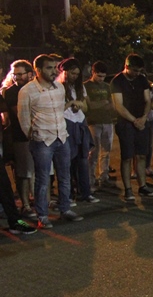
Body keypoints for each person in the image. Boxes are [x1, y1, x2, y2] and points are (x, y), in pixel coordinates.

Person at [18, 54, 84, 227]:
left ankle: (65, 209)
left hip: (61, 137)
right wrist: (34, 135)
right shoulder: (27, 91)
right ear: (38, 70)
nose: (54, 71)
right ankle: (42, 216)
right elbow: (23, 119)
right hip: (42, 140)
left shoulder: (59, 88)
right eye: (49, 68)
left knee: (64, 176)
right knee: (42, 179)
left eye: (55, 68)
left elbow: (60, 110)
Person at [111, 54, 153, 201]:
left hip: (141, 121)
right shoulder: (117, 81)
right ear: (127, 67)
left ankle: (142, 186)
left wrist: (143, 117)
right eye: (135, 70)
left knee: (142, 155)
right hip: (125, 123)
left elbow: (148, 100)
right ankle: (128, 189)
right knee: (127, 157)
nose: (137, 73)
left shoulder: (142, 79)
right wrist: (134, 120)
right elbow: (118, 105)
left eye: (139, 70)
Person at [57, 58, 98, 204]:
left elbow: (86, 107)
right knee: (67, 161)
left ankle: (85, 192)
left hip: (80, 122)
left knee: (82, 159)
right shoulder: (58, 87)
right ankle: (68, 195)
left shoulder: (79, 87)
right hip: (66, 123)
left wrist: (79, 104)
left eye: (77, 74)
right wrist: (71, 103)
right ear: (64, 72)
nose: (74, 76)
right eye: (72, 73)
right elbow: (57, 109)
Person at [1, 60, 37, 218]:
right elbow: (20, 113)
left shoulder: (35, 88)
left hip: (37, 134)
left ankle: (36, 200)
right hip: (20, 136)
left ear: (29, 74)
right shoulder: (11, 92)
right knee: (24, 172)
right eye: (14, 74)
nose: (17, 77)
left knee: (35, 171)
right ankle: (25, 205)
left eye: (20, 74)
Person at [84, 61, 116, 190]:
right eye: (99, 76)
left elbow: (112, 104)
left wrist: (101, 104)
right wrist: (104, 103)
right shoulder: (86, 86)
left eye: (103, 76)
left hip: (107, 121)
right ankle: (90, 180)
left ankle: (104, 177)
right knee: (93, 153)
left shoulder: (107, 87)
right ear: (93, 72)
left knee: (106, 152)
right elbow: (90, 106)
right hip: (93, 122)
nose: (101, 79)